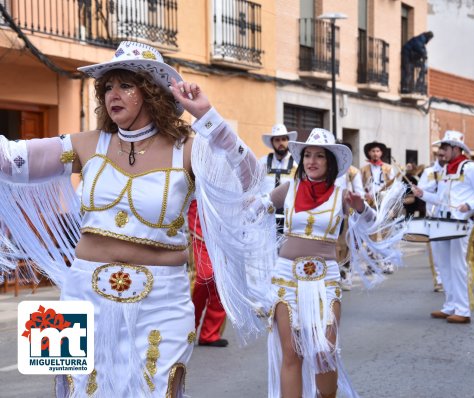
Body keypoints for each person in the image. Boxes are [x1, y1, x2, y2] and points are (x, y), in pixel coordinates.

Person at [0, 41, 264, 396]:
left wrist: (208, 117)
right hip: (80, 292)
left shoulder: (189, 148)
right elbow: (10, 159)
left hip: (162, 300)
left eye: (126, 84)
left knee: (155, 389)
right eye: (107, 86)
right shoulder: (86, 143)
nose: (113, 94)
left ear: (151, 92)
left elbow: (249, 179)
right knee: (73, 389)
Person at [260, 128, 404, 398]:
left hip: (325, 278)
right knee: (292, 352)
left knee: (324, 351)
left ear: (331, 162)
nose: (311, 161)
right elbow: (255, 208)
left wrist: (361, 207)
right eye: (307, 156)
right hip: (285, 277)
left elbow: (372, 224)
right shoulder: (289, 188)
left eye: (319, 156)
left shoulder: (342, 195)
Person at [411, 130, 474, 324]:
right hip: (442, 222)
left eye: (445, 148)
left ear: (456, 149)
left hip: (460, 223)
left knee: (457, 265)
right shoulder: (445, 171)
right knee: (444, 265)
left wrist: (469, 206)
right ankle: (450, 306)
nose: (441, 152)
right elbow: (440, 199)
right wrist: (421, 194)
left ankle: (463, 310)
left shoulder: (470, 168)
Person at [188, 200, 228, 348]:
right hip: (199, 225)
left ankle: (210, 334)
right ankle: (187, 329)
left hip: (226, 228)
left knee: (221, 282)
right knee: (203, 277)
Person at [361, 141, 396, 273]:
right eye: (373, 151)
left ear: (381, 153)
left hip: (384, 204)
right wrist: (365, 195)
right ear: (369, 153)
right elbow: (360, 186)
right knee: (371, 235)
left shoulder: (388, 168)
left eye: (377, 151)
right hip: (370, 205)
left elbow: (393, 187)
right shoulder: (363, 169)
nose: (375, 154)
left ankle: (387, 263)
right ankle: (372, 264)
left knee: (387, 234)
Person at [334, 142, 365, 291]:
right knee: (332, 245)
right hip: (330, 212)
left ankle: (346, 274)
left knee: (346, 245)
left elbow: (359, 192)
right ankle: (334, 274)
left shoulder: (352, 171)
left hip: (347, 213)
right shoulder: (328, 169)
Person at [259, 124, 298, 232]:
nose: (281, 143)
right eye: (277, 140)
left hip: (289, 218)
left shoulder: (297, 164)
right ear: (272, 142)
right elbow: (255, 187)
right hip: (266, 218)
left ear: (288, 141)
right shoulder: (262, 163)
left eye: (284, 139)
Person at [417, 147, 446, 292]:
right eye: (440, 155)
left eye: (444, 155)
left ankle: (450, 279)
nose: (442, 157)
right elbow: (420, 191)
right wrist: (434, 184)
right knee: (436, 251)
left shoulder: (453, 171)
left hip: (450, 216)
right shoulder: (429, 172)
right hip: (433, 216)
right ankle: (439, 280)